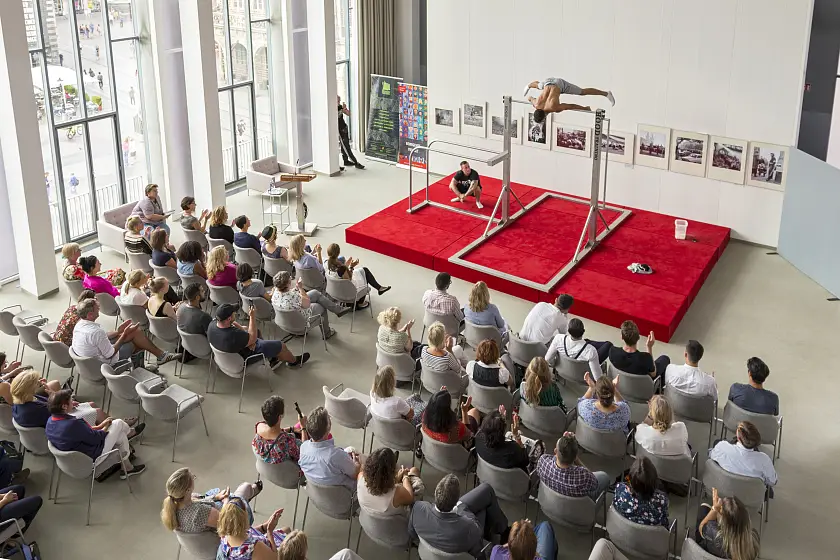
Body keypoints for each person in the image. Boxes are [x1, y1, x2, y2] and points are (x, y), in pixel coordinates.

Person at [46, 389, 146, 478]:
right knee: (118, 423)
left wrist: (101, 425)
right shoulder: (72, 424)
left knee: (120, 435)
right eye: (70, 401)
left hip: (73, 460)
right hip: (93, 455)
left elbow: (84, 432)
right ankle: (129, 433)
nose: (72, 401)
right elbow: (97, 438)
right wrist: (107, 425)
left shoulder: (50, 421)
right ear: (64, 406)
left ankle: (128, 468)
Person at [408, 473, 509, 557]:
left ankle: (501, 530)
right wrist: (461, 507)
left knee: (485, 492)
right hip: (467, 543)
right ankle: (504, 531)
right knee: (483, 509)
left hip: (429, 552)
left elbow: (412, 534)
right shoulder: (467, 527)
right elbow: (477, 530)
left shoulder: (418, 508)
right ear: (456, 500)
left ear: (435, 492)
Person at [71, 298, 180, 366]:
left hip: (90, 360)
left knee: (134, 331)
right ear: (90, 314)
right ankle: (155, 359)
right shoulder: (95, 332)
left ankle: (160, 356)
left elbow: (102, 337)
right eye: (97, 308)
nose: (99, 309)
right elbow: (110, 354)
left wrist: (118, 331)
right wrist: (123, 335)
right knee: (137, 341)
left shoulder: (79, 325)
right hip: (103, 363)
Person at [161, 467, 261, 534]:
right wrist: (226, 500)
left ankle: (249, 493)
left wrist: (216, 497)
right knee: (245, 487)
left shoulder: (175, 507)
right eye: (193, 478)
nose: (194, 479)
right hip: (230, 520)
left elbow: (201, 500)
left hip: (212, 514)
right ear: (187, 490)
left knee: (213, 492)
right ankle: (250, 493)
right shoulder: (199, 513)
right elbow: (226, 521)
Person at [207, 303, 308, 367]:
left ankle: (272, 358)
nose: (235, 314)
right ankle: (294, 362)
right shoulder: (233, 335)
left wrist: (247, 336)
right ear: (229, 318)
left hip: (229, 356)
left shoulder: (212, 325)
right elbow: (252, 336)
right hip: (244, 357)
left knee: (255, 331)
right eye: (234, 313)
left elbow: (235, 326)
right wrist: (252, 316)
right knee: (281, 345)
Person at [11, 370, 113, 429]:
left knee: (91, 404)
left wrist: (55, 395)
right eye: (36, 382)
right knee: (98, 412)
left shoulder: (20, 401)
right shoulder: (38, 409)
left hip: (57, 418)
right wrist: (68, 404)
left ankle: (113, 423)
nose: (39, 383)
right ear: (30, 389)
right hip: (63, 424)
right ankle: (118, 427)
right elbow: (60, 414)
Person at [271, 271, 349, 339]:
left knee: (315, 293)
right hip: (300, 320)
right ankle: (327, 332)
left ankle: (338, 309)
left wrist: (296, 288)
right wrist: (301, 288)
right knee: (321, 306)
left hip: (284, 320)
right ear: (288, 284)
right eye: (290, 279)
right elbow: (307, 304)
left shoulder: (275, 292)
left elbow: (289, 294)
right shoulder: (294, 296)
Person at [298, 407, 360, 491]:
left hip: (321, 495)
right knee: (358, 456)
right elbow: (356, 474)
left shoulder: (303, 448)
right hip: (346, 494)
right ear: (328, 428)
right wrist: (356, 463)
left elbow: (305, 444)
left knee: (348, 450)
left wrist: (303, 427)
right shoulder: (335, 455)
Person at [536, 432, 610, 501]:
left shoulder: (543, 461)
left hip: (550, 503)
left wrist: (564, 443)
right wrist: (575, 457)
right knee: (604, 477)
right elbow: (594, 484)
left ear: (555, 451)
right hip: (577, 508)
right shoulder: (584, 476)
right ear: (575, 457)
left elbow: (555, 458)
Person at [695, 489, 760, 560]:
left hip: (711, 550)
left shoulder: (713, 532)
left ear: (723, 522)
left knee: (703, 509)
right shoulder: (754, 538)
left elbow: (701, 527)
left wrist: (715, 509)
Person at [217, 498, 292, 559]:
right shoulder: (254, 547)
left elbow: (249, 532)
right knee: (292, 538)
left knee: (286, 530)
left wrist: (265, 526)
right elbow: (275, 558)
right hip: (270, 551)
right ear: (243, 518)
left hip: (260, 548)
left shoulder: (225, 536)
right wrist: (269, 531)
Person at [709, 421, 777, 487]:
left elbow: (711, 455)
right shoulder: (764, 460)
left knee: (716, 442)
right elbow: (772, 481)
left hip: (722, 489)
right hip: (750, 496)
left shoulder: (722, 446)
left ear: (738, 438)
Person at [523, 77, 615, 123]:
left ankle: (606, 93)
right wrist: (531, 100)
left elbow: (570, 106)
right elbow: (529, 98)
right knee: (539, 85)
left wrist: (585, 109)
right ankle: (528, 86)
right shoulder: (536, 104)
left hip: (560, 85)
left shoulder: (554, 108)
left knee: (582, 92)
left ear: (544, 118)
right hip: (548, 82)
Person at [357, 448, 419, 516]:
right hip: (396, 521)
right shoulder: (397, 492)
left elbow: (378, 483)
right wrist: (405, 476)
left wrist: (397, 479)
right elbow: (410, 497)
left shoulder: (360, 476)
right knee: (414, 470)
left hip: (370, 519)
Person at [613, 456, 670, 527]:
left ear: (630, 479)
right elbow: (664, 521)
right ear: (654, 482)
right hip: (651, 537)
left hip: (622, 531)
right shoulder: (661, 501)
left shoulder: (620, 489)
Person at [252, 395, 307, 465]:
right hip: (289, 472)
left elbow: (274, 434)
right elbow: (305, 452)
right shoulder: (287, 442)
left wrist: (291, 428)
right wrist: (303, 427)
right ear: (279, 417)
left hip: (266, 469)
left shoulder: (259, 426)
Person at [326, 242, 391, 299]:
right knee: (364, 272)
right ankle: (359, 303)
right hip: (347, 292)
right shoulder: (341, 268)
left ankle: (379, 288)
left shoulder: (326, 264)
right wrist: (351, 267)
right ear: (338, 253)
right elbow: (348, 281)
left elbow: (340, 275)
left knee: (362, 271)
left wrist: (346, 266)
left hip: (336, 290)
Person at [490, 519, 557, 560]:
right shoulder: (537, 558)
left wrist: (521, 534)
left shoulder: (496, 551)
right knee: (545, 526)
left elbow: (507, 546)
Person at [337, 95, 365, 169]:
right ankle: (356, 162)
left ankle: (346, 161)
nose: (338, 102)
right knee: (346, 147)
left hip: (344, 128)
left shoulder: (339, 106)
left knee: (345, 146)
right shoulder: (332, 109)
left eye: (339, 101)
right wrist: (341, 110)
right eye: (337, 101)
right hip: (340, 131)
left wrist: (345, 109)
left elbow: (349, 114)